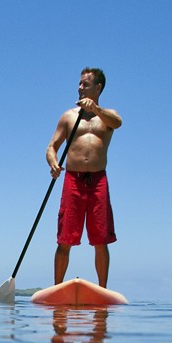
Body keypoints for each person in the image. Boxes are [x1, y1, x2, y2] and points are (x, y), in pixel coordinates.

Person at [46, 67, 122, 287]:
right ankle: (57, 287)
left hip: (98, 181)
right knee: (64, 239)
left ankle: (102, 290)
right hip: (73, 180)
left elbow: (117, 123)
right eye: (79, 83)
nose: (80, 87)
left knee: (101, 240)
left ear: (98, 88)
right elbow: (52, 146)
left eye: (85, 84)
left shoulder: (108, 117)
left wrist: (96, 109)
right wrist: (53, 162)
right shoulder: (69, 116)